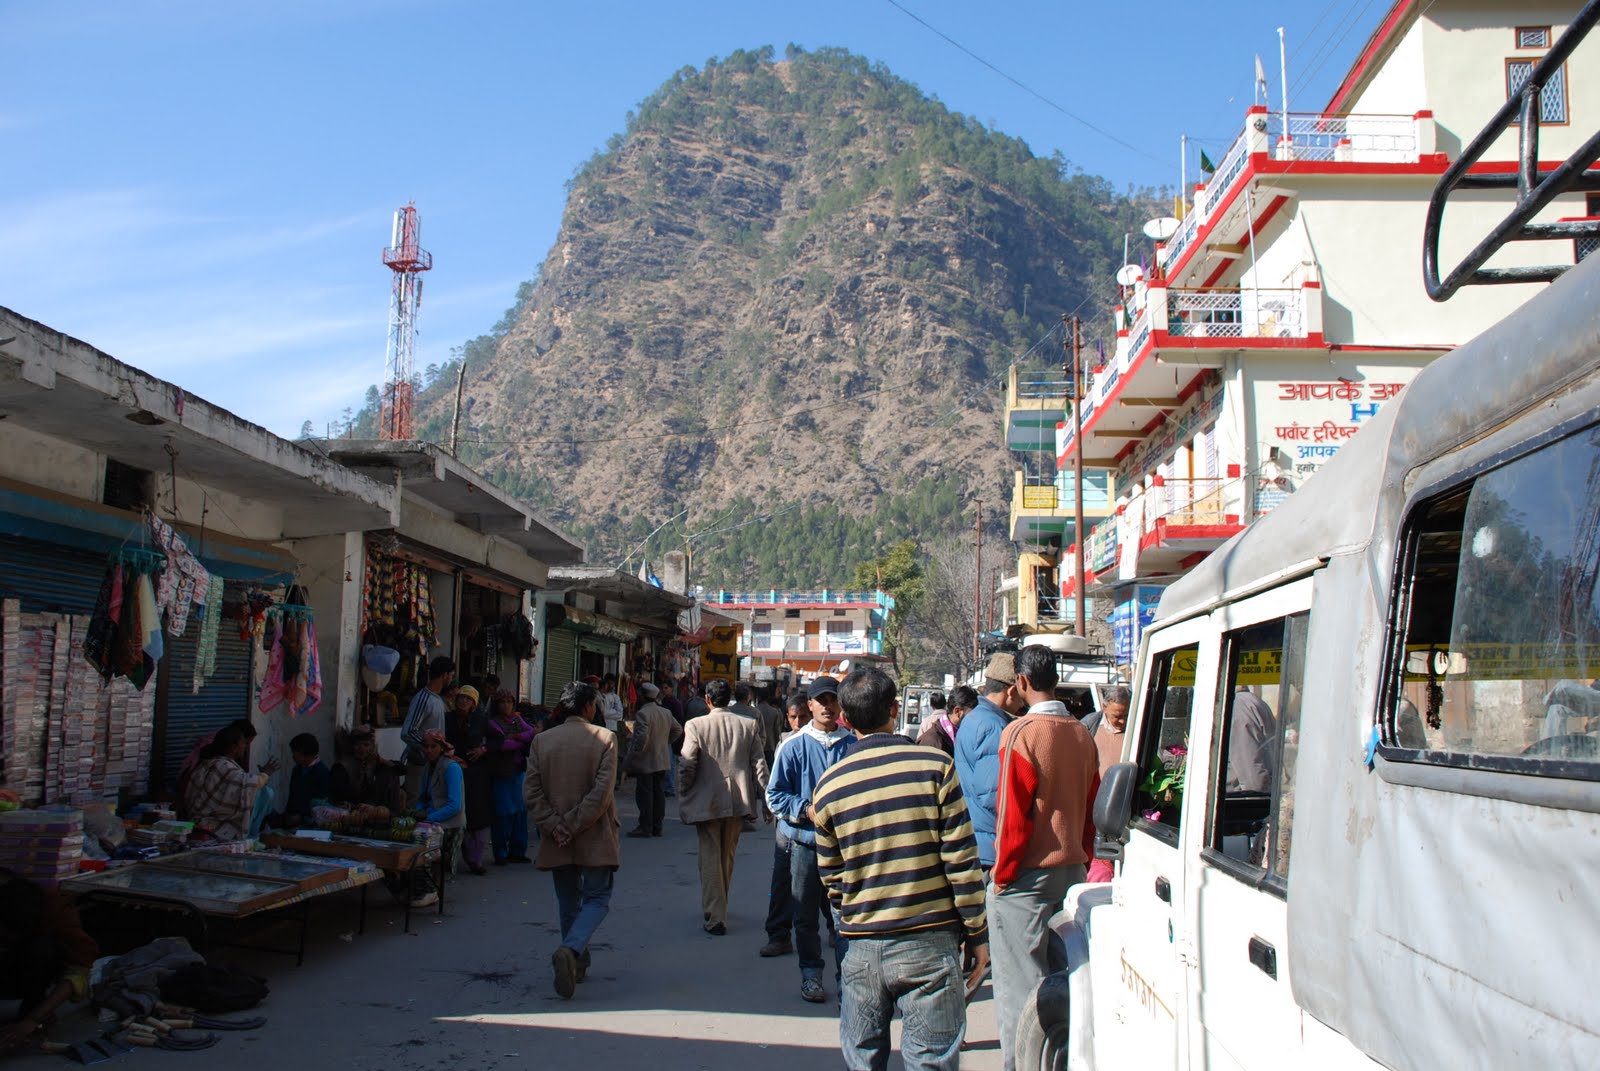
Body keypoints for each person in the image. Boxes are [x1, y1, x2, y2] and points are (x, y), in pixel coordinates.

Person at [812, 668, 989, 1071]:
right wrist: (977, 933)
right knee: (930, 1060)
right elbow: (961, 862)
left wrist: (856, 918)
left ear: (845, 719)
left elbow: (832, 878)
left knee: (863, 1060)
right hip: (930, 943)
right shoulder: (935, 766)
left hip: (862, 945)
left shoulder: (829, 785)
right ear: (895, 710)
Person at [990, 646, 1101, 1071]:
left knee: (1020, 990)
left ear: (1020, 682)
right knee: (1065, 981)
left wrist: (1001, 877)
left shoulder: (1020, 734)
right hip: (1073, 869)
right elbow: (1091, 810)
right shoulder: (1081, 733)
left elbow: (1011, 821)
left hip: (1027, 876)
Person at [525, 680, 620, 1000]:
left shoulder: (542, 741)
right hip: (593, 832)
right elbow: (602, 793)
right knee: (596, 899)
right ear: (588, 707)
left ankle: (576, 960)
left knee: (568, 901)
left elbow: (532, 791)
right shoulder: (605, 738)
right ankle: (571, 949)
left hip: (558, 837)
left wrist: (555, 825)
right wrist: (574, 823)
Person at [766, 675, 856, 1002]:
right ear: (810, 705)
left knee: (844, 918)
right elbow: (775, 796)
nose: (827, 706)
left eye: (833, 700)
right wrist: (806, 810)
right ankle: (810, 974)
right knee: (804, 916)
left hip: (845, 848)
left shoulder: (853, 745)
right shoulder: (793, 746)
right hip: (804, 844)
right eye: (822, 700)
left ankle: (848, 981)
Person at [678, 678, 767, 936]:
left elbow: (687, 763)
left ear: (707, 699)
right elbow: (759, 765)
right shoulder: (748, 725)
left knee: (709, 857)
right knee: (726, 856)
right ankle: (720, 906)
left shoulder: (695, 725)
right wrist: (767, 799)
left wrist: (684, 791)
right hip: (738, 801)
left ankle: (715, 915)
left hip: (707, 800)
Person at [0, 874, 97, 1053]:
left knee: (43, 948)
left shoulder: (56, 912)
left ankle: (33, 1006)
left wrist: (33, 1019)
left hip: (23, 970)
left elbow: (78, 971)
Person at [952, 653, 1026, 875]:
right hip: (991, 846)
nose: (1024, 702)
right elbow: (995, 795)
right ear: (1011, 691)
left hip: (977, 838)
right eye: (1022, 695)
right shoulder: (993, 726)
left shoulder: (975, 718)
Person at [760, 693, 811, 959]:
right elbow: (775, 789)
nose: (799, 722)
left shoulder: (829, 742)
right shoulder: (786, 745)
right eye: (794, 717)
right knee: (782, 881)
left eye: (803, 716)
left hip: (819, 828)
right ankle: (779, 935)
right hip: (789, 825)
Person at [185, 723, 275, 841]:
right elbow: (254, 783)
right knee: (266, 793)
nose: (245, 747)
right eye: (243, 743)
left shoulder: (207, 764)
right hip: (212, 823)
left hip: (196, 818)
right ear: (234, 747)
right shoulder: (225, 767)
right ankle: (252, 835)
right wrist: (266, 773)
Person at [411, 728, 465, 907]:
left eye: (433, 747)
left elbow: (454, 805)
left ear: (441, 748)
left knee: (421, 845)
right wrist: (419, 813)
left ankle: (429, 890)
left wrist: (429, 818)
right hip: (430, 820)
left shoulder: (452, 768)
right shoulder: (428, 767)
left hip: (449, 823)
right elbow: (422, 797)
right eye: (425, 746)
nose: (428, 750)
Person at [484, 690, 537, 864]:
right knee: (502, 813)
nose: (506, 705)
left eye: (509, 702)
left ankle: (517, 850)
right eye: (502, 702)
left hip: (517, 770)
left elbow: (532, 732)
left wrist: (517, 736)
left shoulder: (516, 719)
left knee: (520, 812)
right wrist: (520, 740)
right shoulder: (492, 723)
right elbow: (502, 744)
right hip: (501, 772)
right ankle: (501, 852)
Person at [445, 684, 493, 875]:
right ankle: (454, 857)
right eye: (460, 698)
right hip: (454, 770)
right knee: (456, 812)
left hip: (477, 773)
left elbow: (497, 739)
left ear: (474, 703)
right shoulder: (448, 719)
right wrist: (449, 754)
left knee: (478, 815)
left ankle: (476, 860)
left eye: (467, 699)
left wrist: (483, 750)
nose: (463, 701)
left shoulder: (481, 720)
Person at [625, 682, 683, 838]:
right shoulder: (665, 712)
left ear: (643, 697)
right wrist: (665, 742)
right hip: (661, 759)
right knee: (658, 792)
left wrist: (637, 751)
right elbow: (678, 729)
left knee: (645, 793)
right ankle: (657, 826)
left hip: (646, 759)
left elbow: (641, 737)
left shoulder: (643, 714)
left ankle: (645, 826)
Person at [174, 717, 260, 815]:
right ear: (235, 745)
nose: (245, 747)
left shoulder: (221, 757)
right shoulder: (220, 764)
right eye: (245, 743)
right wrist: (265, 774)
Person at [401, 656, 455, 805]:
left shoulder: (437, 699)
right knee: (414, 804)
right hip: (419, 763)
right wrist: (429, 748)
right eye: (451, 676)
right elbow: (408, 732)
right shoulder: (423, 698)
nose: (451, 679)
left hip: (431, 765)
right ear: (444, 675)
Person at [328, 725, 403, 810]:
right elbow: (339, 797)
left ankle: (392, 814)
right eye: (357, 745)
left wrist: (381, 760)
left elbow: (402, 770)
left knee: (390, 771)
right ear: (351, 746)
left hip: (370, 806)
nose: (361, 749)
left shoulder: (371, 761)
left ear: (371, 747)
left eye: (366, 745)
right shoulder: (342, 766)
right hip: (352, 808)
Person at [279, 732, 330, 828]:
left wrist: (302, 817)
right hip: (292, 820)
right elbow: (292, 796)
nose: (292, 755)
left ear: (302, 752)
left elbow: (320, 804)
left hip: (310, 822)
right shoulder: (296, 770)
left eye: (294, 752)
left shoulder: (322, 772)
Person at [917, 686, 976, 756]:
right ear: (958, 712)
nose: (977, 719)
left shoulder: (965, 734)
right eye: (973, 714)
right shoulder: (930, 742)